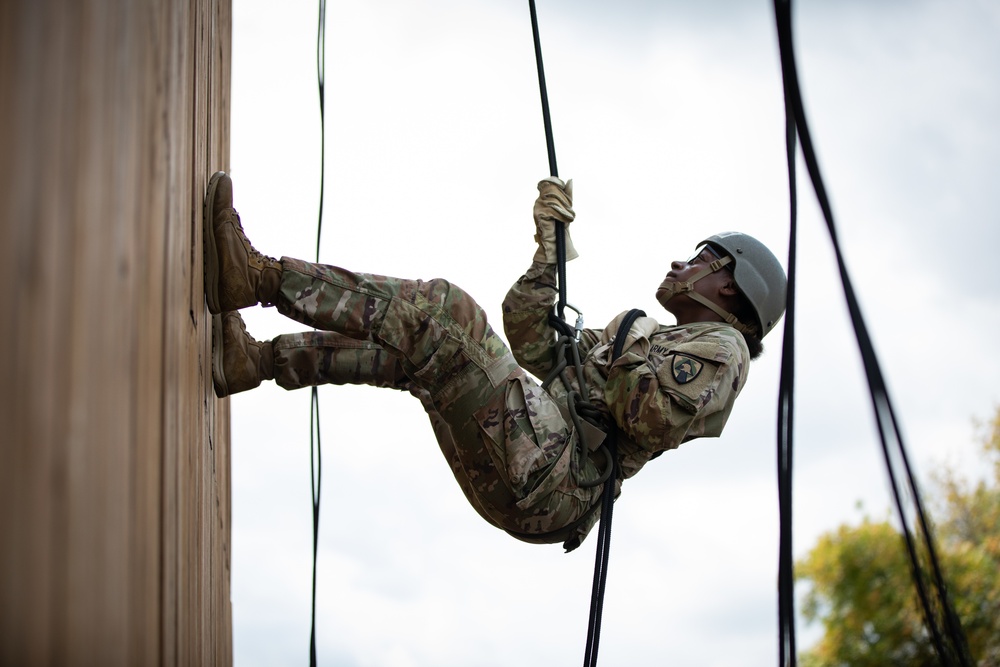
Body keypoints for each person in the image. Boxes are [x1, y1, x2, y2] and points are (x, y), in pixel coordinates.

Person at [203, 172, 786, 551]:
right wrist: (548, 256)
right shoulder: (657, 339)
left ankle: (257, 278)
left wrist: (628, 332)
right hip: (541, 469)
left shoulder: (723, 350)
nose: (680, 264)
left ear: (731, 285)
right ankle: (253, 361)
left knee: (445, 312)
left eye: (699, 259)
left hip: (555, 478)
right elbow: (532, 340)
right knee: (423, 355)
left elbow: (647, 416)